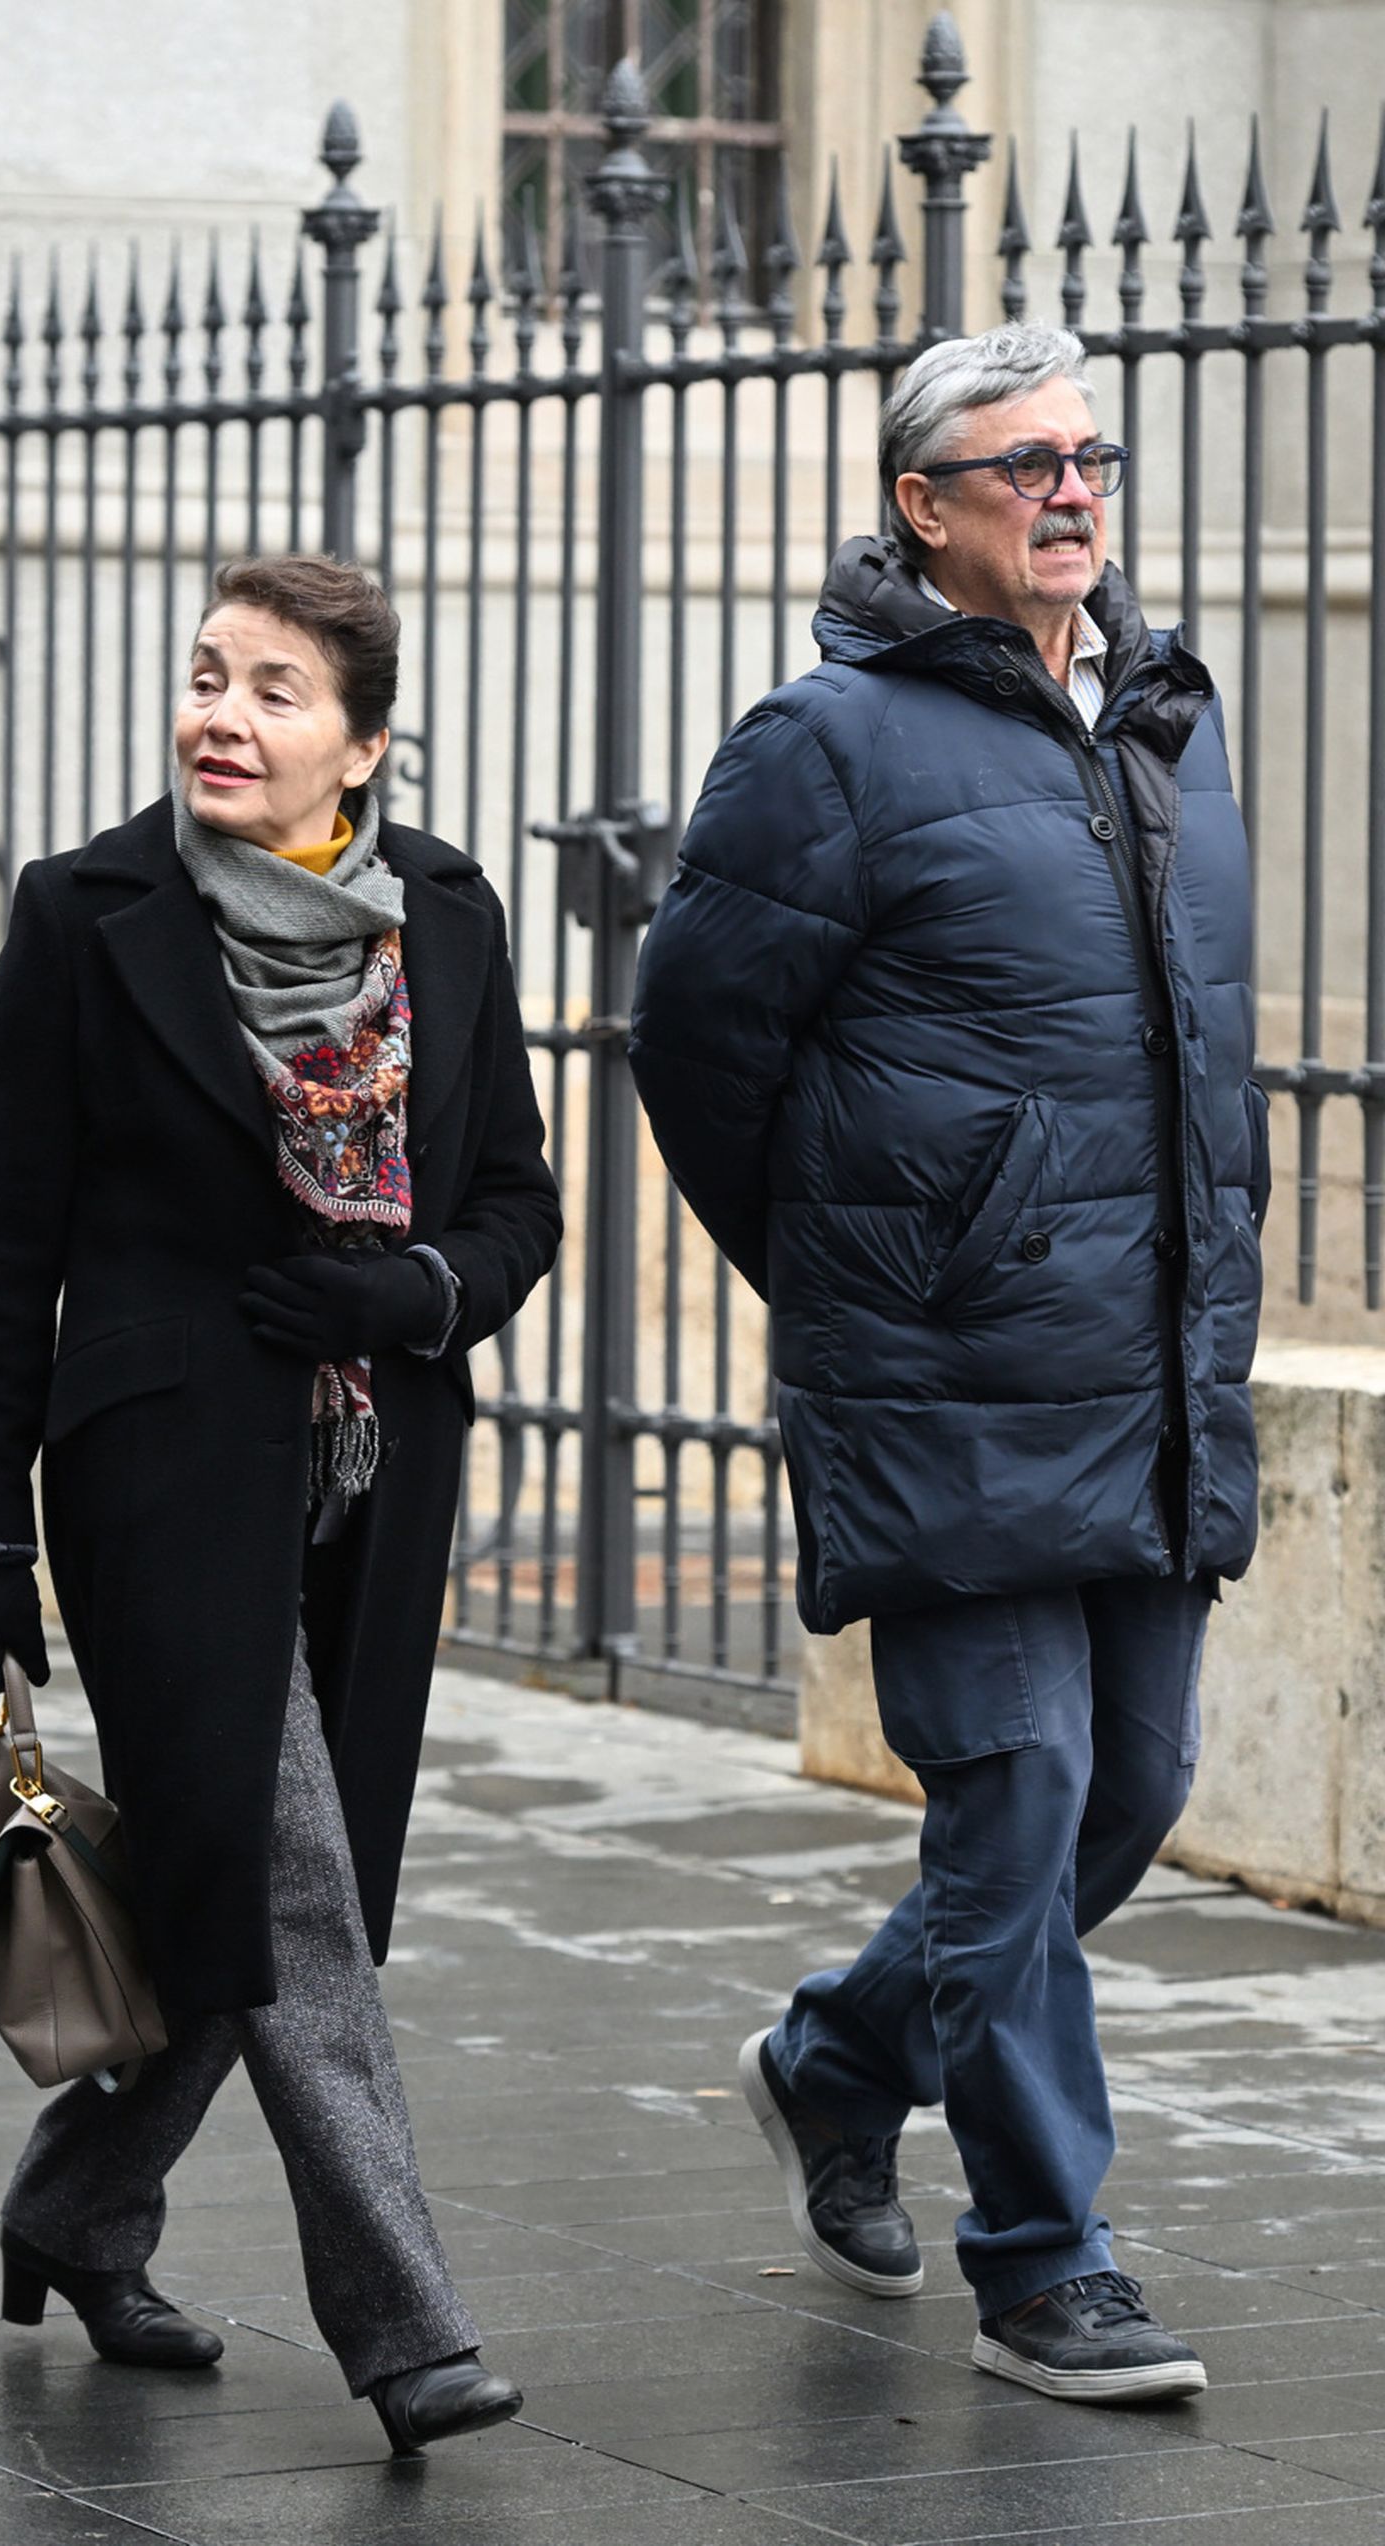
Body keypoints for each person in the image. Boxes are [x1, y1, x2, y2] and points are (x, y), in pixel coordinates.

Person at [630, 325, 1267, 2406]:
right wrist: (869, 1278)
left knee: (1131, 1790)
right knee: (1019, 1803)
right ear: (922, 506)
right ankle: (1045, 2258)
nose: (1072, 492)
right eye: (1022, 466)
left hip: (1146, 1369)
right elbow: (697, 1048)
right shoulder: (824, 745)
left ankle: (837, 2060)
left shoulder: (1167, 713)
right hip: (940, 1375)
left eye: (1090, 457)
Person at [0, 552, 561, 2453]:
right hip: (160, 1469)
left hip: (380, 1460)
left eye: (275, 689)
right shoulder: (85, 914)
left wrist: (416, 1291)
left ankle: (78, 2202)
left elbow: (516, 1200)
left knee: (277, 1886)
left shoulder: (446, 913)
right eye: (209, 674)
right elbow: (9, 1249)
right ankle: (407, 2327)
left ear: (361, 744)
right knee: (287, 1882)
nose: (220, 713)